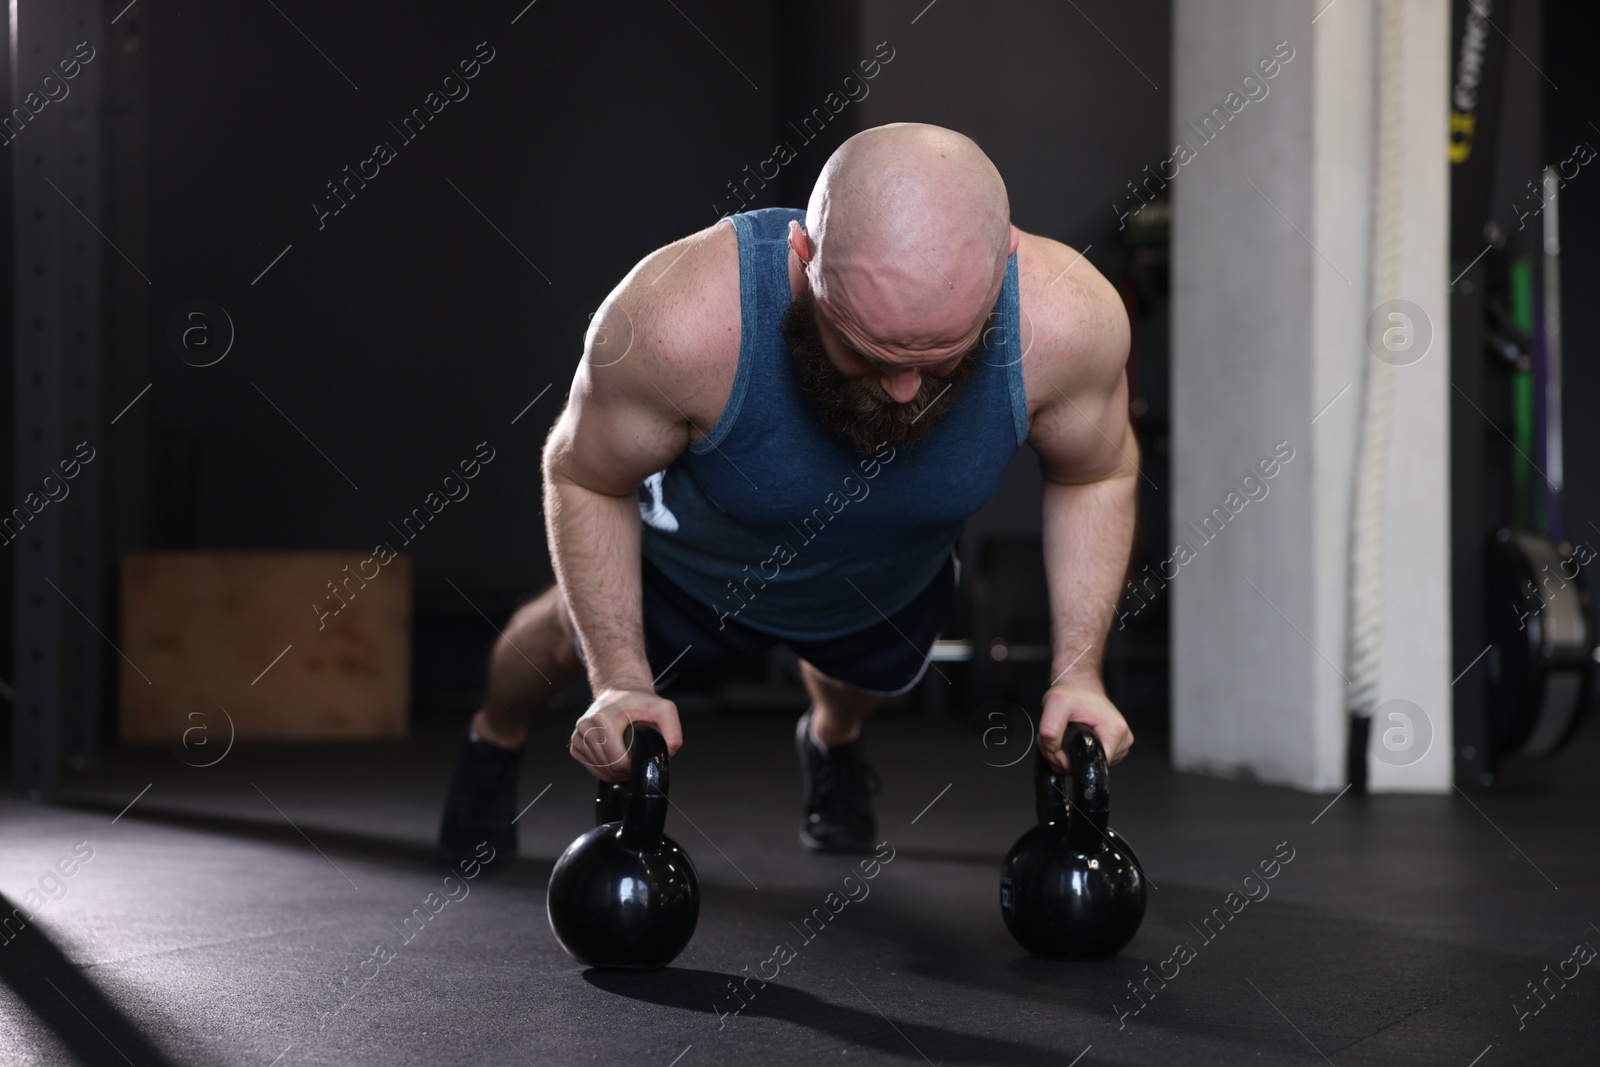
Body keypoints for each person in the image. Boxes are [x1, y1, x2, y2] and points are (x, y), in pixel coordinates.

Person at [438, 121, 1138, 862]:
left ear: (1005, 264)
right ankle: (492, 738)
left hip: (878, 584)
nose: (903, 391)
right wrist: (616, 678)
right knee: (555, 641)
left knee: (850, 690)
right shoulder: (678, 321)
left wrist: (1078, 674)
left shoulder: (1070, 323)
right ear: (805, 255)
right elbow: (583, 474)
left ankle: (830, 738)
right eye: (865, 352)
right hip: (686, 571)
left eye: (938, 359)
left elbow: (1095, 473)